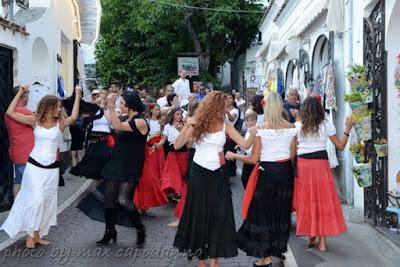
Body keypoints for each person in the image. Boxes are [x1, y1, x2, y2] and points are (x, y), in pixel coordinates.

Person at [173, 91, 256, 267]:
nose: (226, 109)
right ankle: (201, 259)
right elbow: (177, 145)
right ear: (215, 106)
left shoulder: (225, 124)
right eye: (223, 106)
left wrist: (255, 131)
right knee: (200, 213)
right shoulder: (197, 122)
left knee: (220, 215)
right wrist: (188, 126)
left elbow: (245, 144)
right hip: (200, 172)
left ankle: (214, 259)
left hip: (219, 173)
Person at [1, 85, 81, 248]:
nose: (59, 109)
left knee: (46, 202)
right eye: (56, 107)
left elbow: (73, 117)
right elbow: (10, 112)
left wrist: (78, 95)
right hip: (34, 168)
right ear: (47, 108)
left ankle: (37, 234)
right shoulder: (34, 120)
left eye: (60, 107)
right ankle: (30, 235)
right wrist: (21, 92)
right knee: (36, 199)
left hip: (51, 171)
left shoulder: (60, 124)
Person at [226, 92, 297, 267]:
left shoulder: (261, 130)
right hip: (285, 173)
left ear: (266, 107)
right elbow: (293, 155)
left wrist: (235, 155)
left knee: (263, 214)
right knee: (280, 214)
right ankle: (277, 250)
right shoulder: (292, 128)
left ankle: (265, 258)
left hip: (268, 174)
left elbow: (252, 159)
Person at [293, 96, 354, 252]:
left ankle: (311, 232)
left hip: (303, 166)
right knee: (322, 201)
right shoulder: (326, 124)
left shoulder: (297, 127)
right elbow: (340, 146)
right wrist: (347, 128)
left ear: (304, 111)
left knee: (307, 200)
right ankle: (322, 242)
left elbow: (291, 151)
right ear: (319, 110)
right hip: (320, 165)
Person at [134, 104, 168, 215]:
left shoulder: (161, 122)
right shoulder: (146, 121)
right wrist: (152, 138)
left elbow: (164, 135)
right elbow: (144, 138)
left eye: (159, 109)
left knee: (156, 172)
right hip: (148, 148)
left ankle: (145, 205)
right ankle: (140, 205)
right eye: (156, 109)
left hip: (158, 147)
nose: (158, 111)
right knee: (147, 177)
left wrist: (160, 141)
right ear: (151, 110)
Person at [168, 102, 199, 228]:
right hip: (195, 157)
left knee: (192, 189)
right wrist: (184, 130)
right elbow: (185, 145)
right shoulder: (190, 123)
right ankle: (184, 218)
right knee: (189, 189)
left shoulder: (199, 123)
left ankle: (187, 219)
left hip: (199, 158)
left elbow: (189, 144)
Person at [70, 91, 112, 182]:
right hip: (94, 135)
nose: (102, 100)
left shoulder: (109, 110)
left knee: (102, 157)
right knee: (92, 157)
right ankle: (95, 180)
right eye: (99, 97)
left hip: (105, 135)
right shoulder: (93, 109)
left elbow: (110, 120)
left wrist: (103, 108)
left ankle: (101, 178)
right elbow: (85, 115)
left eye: (104, 98)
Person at [5, 85, 34, 199]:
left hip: (16, 152)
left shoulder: (9, 113)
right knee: (29, 185)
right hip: (26, 153)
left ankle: (16, 207)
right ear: (23, 96)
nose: (28, 98)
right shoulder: (24, 112)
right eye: (27, 95)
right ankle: (24, 211)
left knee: (18, 180)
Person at [157, 107, 187, 199]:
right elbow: (164, 139)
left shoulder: (185, 125)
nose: (179, 116)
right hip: (172, 152)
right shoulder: (167, 126)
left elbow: (187, 139)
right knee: (172, 173)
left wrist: (181, 130)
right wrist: (158, 144)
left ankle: (180, 192)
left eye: (180, 114)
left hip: (183, 152)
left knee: (182, 172)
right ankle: (174, 191)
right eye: (177, 114)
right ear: (172, 115)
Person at [236, 110, 257, 188]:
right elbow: (246, 143)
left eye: (251, 120)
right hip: (247, 157)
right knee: (245, 179)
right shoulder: (248, 131)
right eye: (247, 121)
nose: (248, 123)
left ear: (255, 121)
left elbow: (251, 145)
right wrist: (240, 145)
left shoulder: (256, 131)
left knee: (251, 180)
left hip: (253, 158)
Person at [224, 93, 240, 177]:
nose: (228, 100)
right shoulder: (223, 109)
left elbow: (232, 119)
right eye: (227, 98)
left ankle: (230, 172)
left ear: (233, 100)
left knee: (230, 154)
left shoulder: (235, 110)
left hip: (230, 136)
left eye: (230, 98)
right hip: (223, 134)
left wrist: (226, 111)